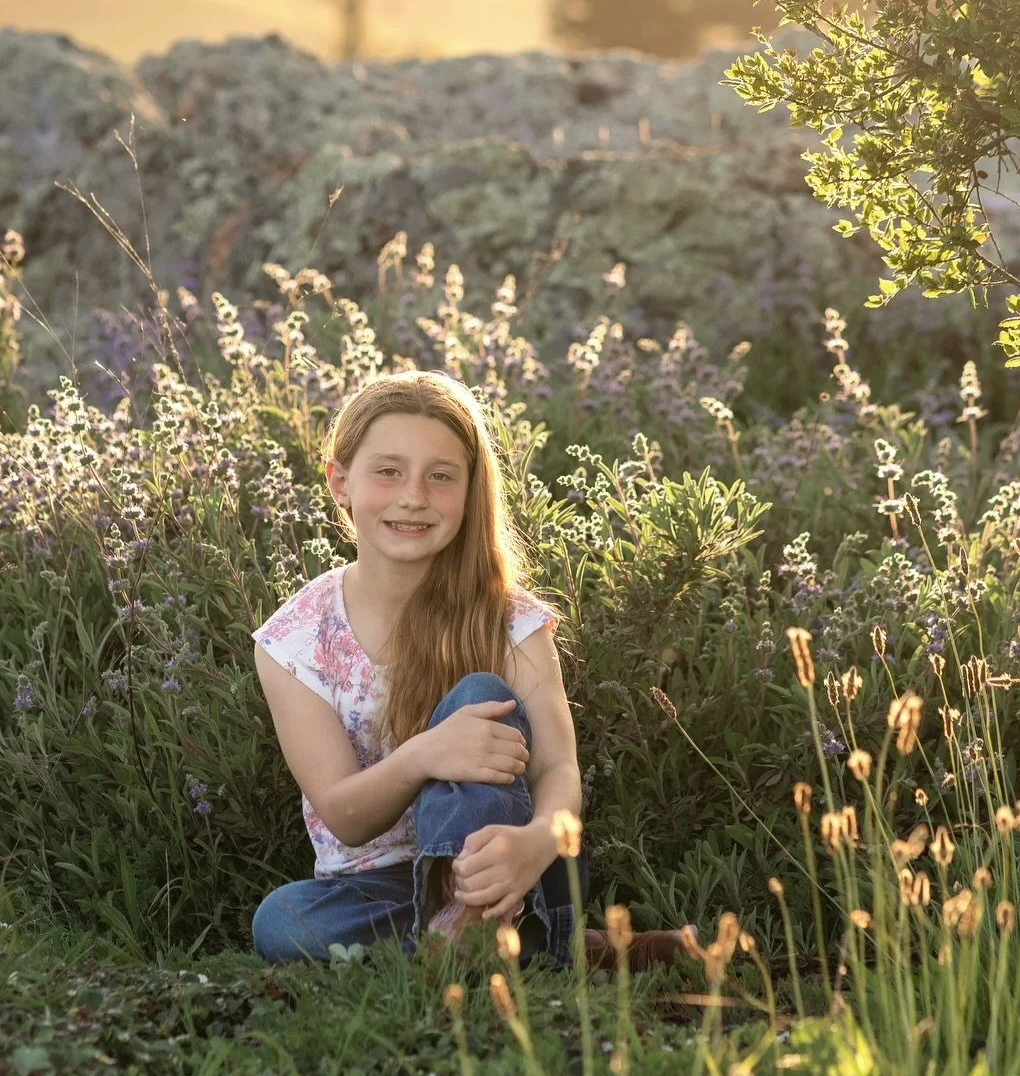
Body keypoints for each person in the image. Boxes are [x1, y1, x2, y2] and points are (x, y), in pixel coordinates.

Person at [250, 369, 693, 969]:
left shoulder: (512, 622)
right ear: (339, 483)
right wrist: (425, 755)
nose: (413, 496)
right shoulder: (295, 640)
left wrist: (536, 843)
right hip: (379, 891)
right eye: (388, 471)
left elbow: (560, 768)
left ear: (470, 490)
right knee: (280, 921)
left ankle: (484, 930)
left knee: (479, 693)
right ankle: (532, 948)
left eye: (441, 477)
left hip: (518, 866)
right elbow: (345, 816)